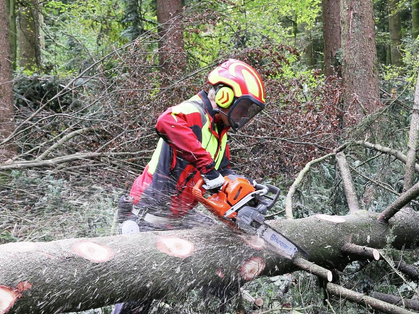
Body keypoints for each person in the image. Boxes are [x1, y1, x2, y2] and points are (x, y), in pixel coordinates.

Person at [112, 59, 266, 314]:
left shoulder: (219, 132)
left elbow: (223, 170)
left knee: (225, 248)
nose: (244, 116)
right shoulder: (193, 111)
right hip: (148, 216)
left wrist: (243, 190)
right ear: (226, 96)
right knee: (139, 292)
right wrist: (207, 168)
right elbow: (165, 122)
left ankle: (216, 307)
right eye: (243, 108)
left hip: (179, 216)